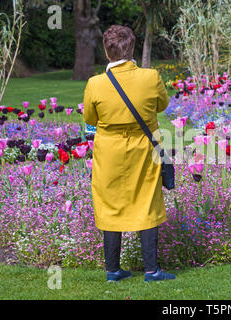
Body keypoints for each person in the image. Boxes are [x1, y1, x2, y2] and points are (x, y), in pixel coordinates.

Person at [83, 25, 175, 283]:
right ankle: (152, 270)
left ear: (106, 50)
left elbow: (90, 117)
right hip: (144, 149)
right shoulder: (150, 77)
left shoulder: (95, 83)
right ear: (132, 48)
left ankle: (113, 270)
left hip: (109, 151)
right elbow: (163, 104)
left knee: (110, 204)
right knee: (146, 201)